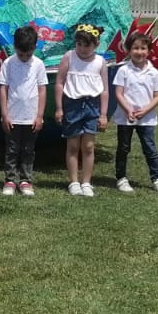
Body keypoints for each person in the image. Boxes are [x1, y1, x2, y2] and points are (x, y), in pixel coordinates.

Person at [56, 24, 109, 197]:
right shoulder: (69, 57)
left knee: (88, 146)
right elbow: (59, 82)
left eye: (87, 45)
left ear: (96, 44)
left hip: (92, 106)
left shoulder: (100, 62)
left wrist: (103, 114)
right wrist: (59, 108)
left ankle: (86, 182)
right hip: (72, 104)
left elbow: (105, 90)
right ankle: (74, 182)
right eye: (79, 44)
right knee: (72, 145)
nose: (83, 49)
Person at [112, 30, 158, 194]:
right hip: (125, 117)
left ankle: (157, 178)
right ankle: (121, 178)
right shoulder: (123, 70)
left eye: (143, 48)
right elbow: (118, 93)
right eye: (135, 48)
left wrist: (146, 109)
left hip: (147, 118)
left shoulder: (153, 72)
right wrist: (128, 109)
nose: (139, 52)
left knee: (150, 148)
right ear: (128, 50)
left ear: (149, 51)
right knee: (123, 148)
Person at [0, 25, 46, 196]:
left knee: (28, 149)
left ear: (34, 48)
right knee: (12, 148)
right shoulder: (8, 63)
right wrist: (5, 114)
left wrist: (39, 116)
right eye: (21, 54)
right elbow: (3, 88)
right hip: (13, 115)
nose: (25, 58)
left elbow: (42, 90)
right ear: (15, 47)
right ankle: (10, 180)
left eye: (28, 54)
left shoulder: (38, 64)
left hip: (31, 116)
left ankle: (25, 180)